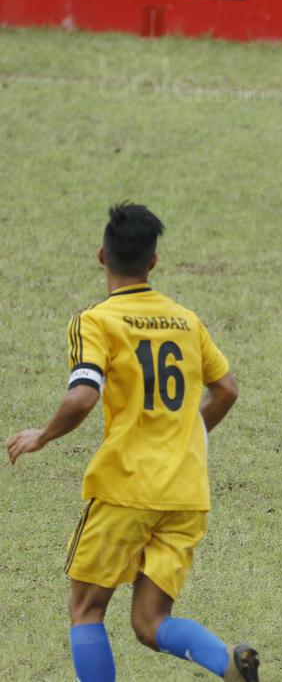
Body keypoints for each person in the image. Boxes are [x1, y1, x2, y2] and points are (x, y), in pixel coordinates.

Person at [5, 203, 259, 682]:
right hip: (186, 492)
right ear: (154, 261)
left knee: (85, 609)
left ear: (103, 256)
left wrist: (42, 434)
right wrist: (190, 435)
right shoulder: (186, 321)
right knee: (149, 622)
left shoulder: (96, 321)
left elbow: (82, 397)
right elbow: (226, 389)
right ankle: (226, 662)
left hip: (127, 488)